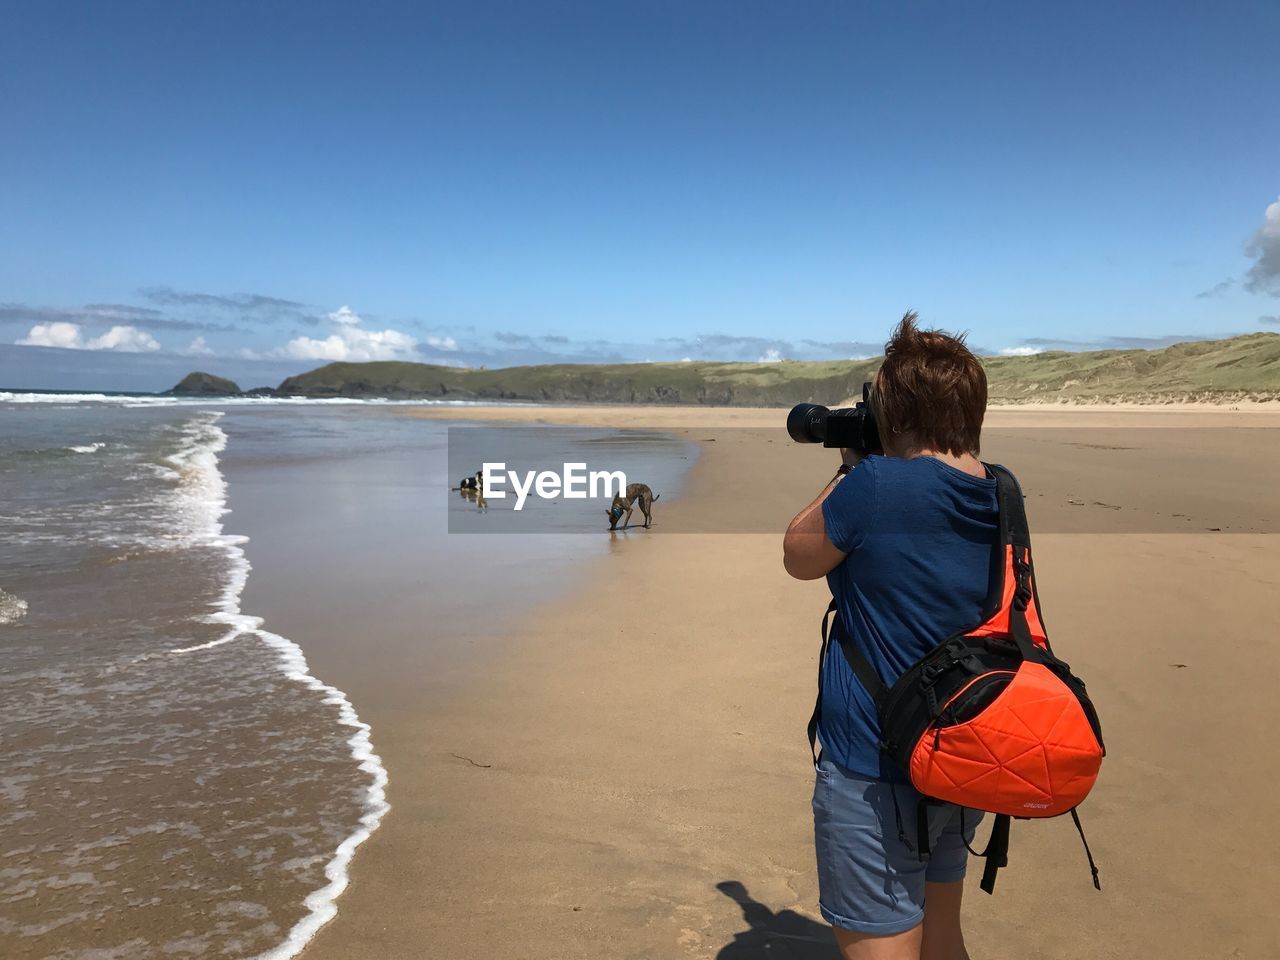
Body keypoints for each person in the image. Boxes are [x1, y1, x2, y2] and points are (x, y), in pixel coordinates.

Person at [783, 312, 997, 960]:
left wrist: (853, 466)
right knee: (943, 940)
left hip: (873, 767)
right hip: (960, 749)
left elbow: (798, 553)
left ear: (894, 410)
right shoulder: (998, 491)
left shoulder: (875, 486)